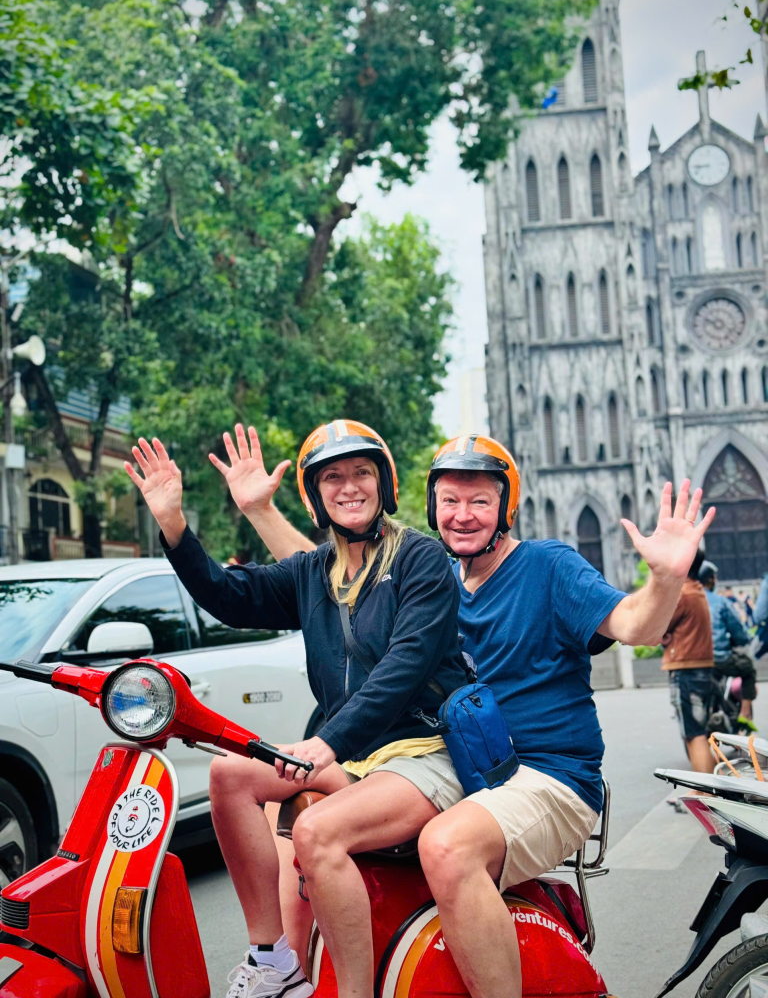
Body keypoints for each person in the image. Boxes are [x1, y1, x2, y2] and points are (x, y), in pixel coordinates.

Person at [247, 431, 714, 998]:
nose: (463, 515)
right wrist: (260, 510)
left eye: (479, 501)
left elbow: (634, 624)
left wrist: (664, 578)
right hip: (454, 770)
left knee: (446, 845)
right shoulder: (429, 579)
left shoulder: (548, 567)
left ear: (505, 508)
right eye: (450, 501)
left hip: (546, 777)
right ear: (431, 508)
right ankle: (282, 972)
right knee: (288, 800)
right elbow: (323, 577)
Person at [124, 421, 471, 998]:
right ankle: (273, 960)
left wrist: (328, 741)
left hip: (425, 753)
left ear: (383, 482)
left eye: (362, 473)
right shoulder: (312, 571)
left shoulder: (421, 559)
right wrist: (173, 524)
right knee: (230, 773)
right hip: (360, 759)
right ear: (315, 497)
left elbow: (405, 666)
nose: (349, 487)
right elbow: (228, 597)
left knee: (315, 831)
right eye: (332, 477)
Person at [661, 549, 716, 786]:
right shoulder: (697, 590)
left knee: (694, 734)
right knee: (699, 731)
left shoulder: (681, 594)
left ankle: (705, 795)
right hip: (701, 669)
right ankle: (712, 792)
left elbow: (657, 625)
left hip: (686, 671)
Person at [699, 559, 757, 731]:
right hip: (719, 659)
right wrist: (743, 639)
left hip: (691, 661)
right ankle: (744, 715)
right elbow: (738, 630)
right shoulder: (720, 602)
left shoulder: (684, 600)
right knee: (748, 670)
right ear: (710, 580)